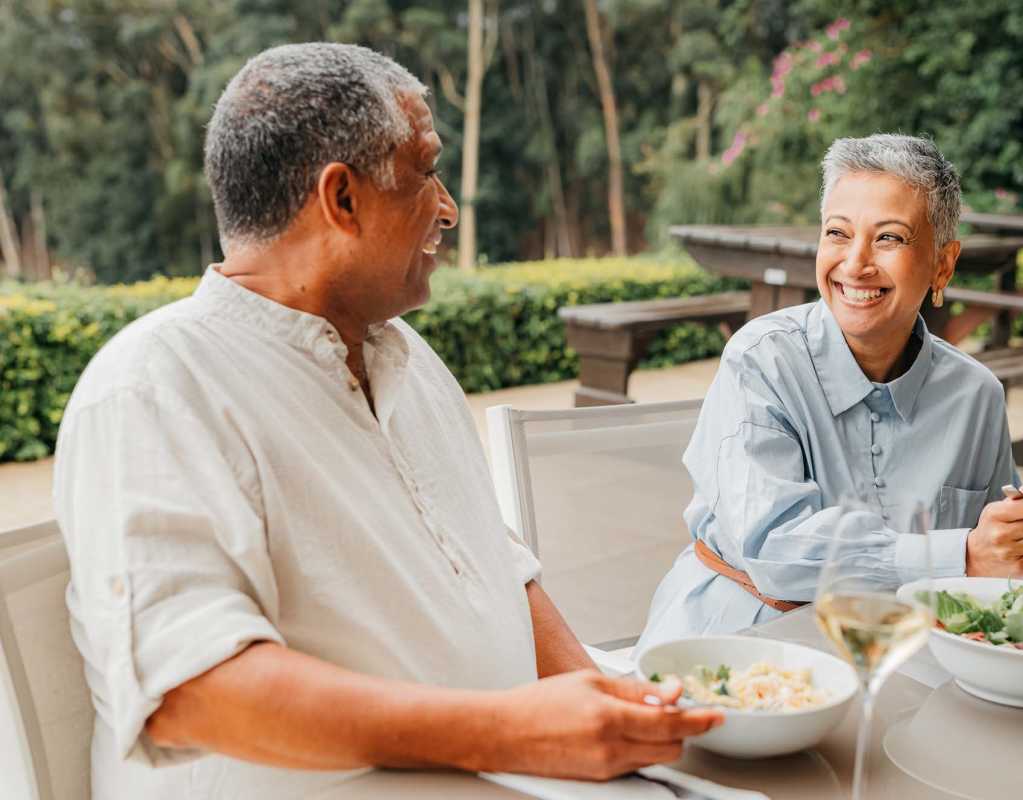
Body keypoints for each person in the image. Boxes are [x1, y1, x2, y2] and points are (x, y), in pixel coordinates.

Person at [53, 43, 721, 799]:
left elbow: (495, 566)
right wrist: (512, 732)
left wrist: (609, 705)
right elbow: (193, 693)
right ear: (342, 200)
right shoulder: (155, 385)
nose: (447, 207)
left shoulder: (405, 356)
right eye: (425, 170)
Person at [636, 133, 1023, 653]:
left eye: (889, 238)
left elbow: (994, 557)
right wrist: (958, 555)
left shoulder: (976, 395)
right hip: (739, 638)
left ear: (943, 265)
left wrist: (1013, 538)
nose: (855, 263)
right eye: (837, 232)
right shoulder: (761, 360)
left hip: (902, 652)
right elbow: (773, 549)